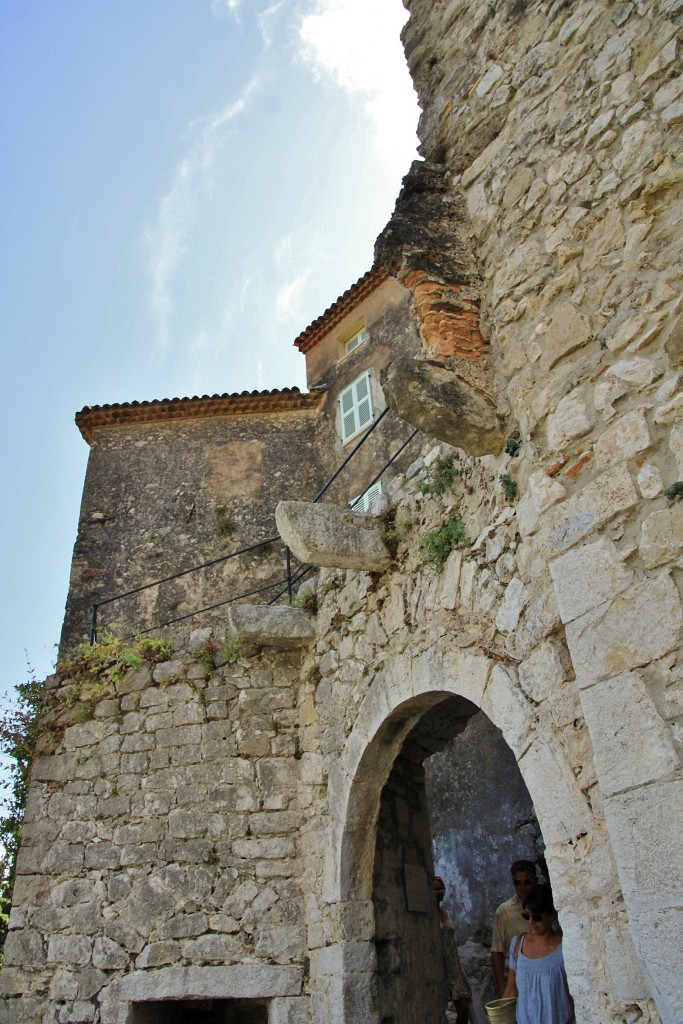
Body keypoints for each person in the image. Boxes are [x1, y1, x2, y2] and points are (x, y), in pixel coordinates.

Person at [503, 884, 574, 1024]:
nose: (531, 922)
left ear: (552, 915)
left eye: (537, 917)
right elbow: (511, 991)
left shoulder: (566, 949)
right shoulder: (518, 944)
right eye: (526, 916)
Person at [491, 860, 538, 997]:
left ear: (535, 881)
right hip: (519, 980)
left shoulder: (547, 907)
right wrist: (501, 986)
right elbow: (497, 951)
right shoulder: (504, 912)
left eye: (527, 882)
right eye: (518, 883)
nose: (523, 888)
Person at [434, 875, 471, 1024]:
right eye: (436, 889)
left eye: (441, 888)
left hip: (453, 960)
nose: (440, 891)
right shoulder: (429, 917)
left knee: (464, 1004)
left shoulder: (445, 913)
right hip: (440, 961)